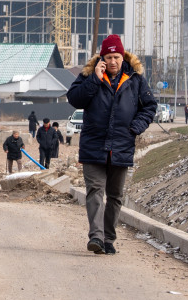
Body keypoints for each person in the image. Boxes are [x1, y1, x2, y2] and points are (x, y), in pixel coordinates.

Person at [67, 34, 156, 256]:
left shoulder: (135, 79)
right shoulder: (89, 75)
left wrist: (135, 127)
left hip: (121, 146)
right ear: (102, 58)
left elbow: (149, 106)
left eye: (116, 57)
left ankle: (108, 238)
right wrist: (94, 79)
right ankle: (96, 237)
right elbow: (75, 99)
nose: (113, 61)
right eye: (109, 57)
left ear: (122, 57)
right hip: (93, 146)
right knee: (95, 191)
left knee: (115, 196)